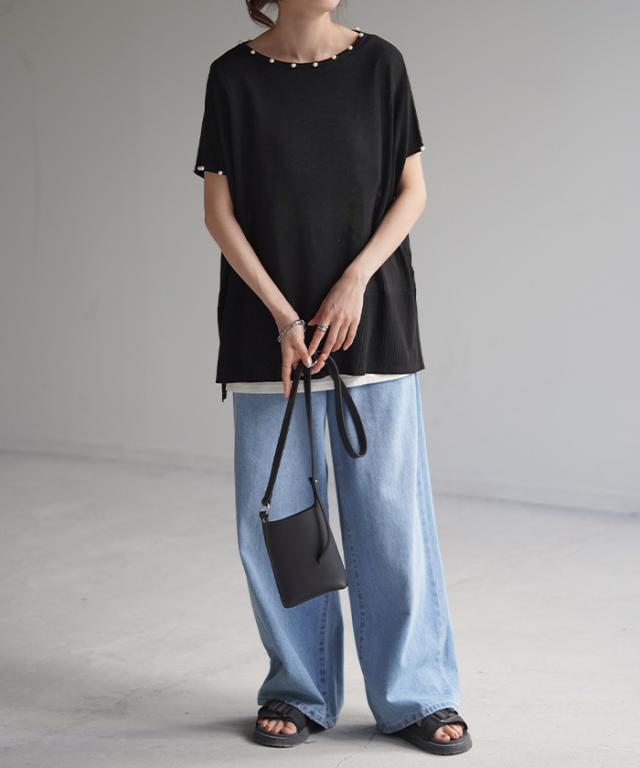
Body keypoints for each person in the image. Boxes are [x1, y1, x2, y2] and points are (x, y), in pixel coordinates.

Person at [193, 0, 472, 756]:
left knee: (390, 519)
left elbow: (412, 191)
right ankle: (300, 687)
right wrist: (285, 317)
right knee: (281, 523)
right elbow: (219, 212)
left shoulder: (380, 64)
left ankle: (416, 693)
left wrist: (354, 282)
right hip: (269, 334)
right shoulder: (233, 77)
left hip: (369, 320)